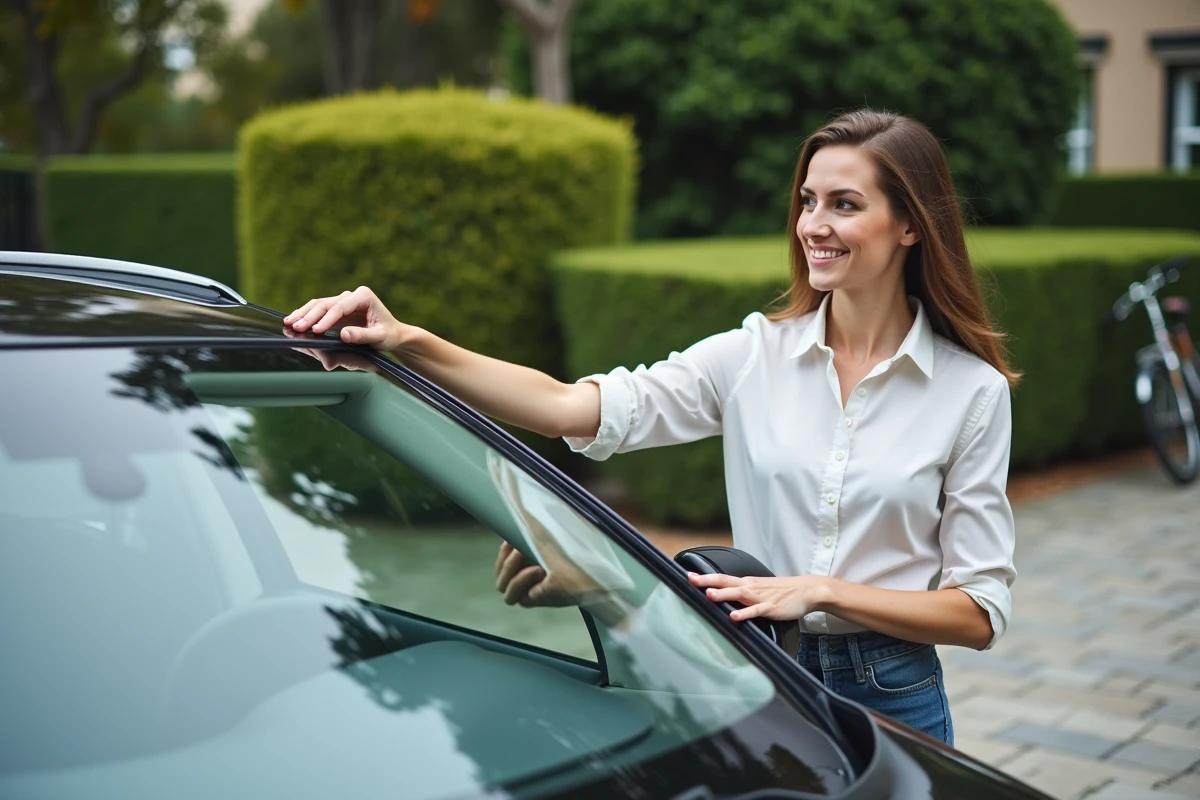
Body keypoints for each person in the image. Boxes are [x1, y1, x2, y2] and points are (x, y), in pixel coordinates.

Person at [283, 108, 1018, 745]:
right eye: (807, 201)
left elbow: (979, 611)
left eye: (845, 205)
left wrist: (819, 591)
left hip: (893, 690)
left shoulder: (971, 392)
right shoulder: (752, 355)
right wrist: (409, 339)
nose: (813, 226)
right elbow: (572, 407)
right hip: (758, 667)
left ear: (911, 225)